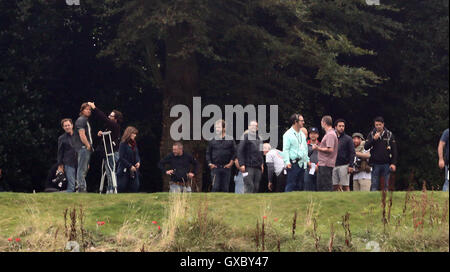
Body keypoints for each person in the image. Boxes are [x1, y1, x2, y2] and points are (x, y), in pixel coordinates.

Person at [88, 102, 123, 194]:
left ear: (115, 119)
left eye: (111, 116)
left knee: (111, 171)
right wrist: (101, 133)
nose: (109, 117)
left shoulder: (115, 126)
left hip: (112, 152)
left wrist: (94, 108)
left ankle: (112, 189)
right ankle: (109, 188)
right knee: (108, 171)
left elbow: (103, 118)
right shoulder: (109, 127)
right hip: (107, 152)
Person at [364, 117, 398, 191]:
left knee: (386, 185)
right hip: (375, 164)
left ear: (383, 124)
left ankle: (385, 200)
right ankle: (373, 201)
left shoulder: (389, 134)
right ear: (374, 125)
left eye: (380, 124)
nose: (378, 126)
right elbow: (366, 147)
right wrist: (373, 139)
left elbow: (394, 150)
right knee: (374, 185)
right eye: (376, 125)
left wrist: (393, 163)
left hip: (386, 164)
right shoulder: (371, 134)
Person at [206, 120, 236, 192]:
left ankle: (225, 203)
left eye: (219, 127)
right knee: (215, 187)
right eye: (216, 127)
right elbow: (208, 153)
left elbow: (235, 152)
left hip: (226, 168)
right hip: (215, 168)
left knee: (225, 188)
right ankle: (213, 203)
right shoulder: (212, 140)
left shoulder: (230, 139)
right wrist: (210, 163)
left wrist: (231, 163)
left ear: (224, 128)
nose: (217, 129)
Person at [282, 114, 309, 192]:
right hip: (293, 163)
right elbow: (285, 150)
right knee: (291, 184)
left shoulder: (302, 134)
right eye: (301, 121)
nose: (303, 122)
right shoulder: (287, 134)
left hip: (302, 163)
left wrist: (307, 161)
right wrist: (287, 162)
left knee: (300, 185)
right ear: (295, 122)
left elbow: (305, 149)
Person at [237, 121, 264, 193]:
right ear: (249, 127)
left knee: (256, 186)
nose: (253, 127)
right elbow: (240, 151)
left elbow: (261, 153)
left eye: (255, 126)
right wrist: (241, 164)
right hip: (248, 166)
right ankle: (246, 202)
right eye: (252, 126)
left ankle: (254, 203)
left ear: (257, 128)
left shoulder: (260, 139)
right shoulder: (245, 137)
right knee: (249, 185)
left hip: (258, 166)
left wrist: (262, 164)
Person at [313, 115, 338, 192]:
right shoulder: (329, 134)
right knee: (321, 185)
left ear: (324, 123)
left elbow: (330, 149)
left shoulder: (330, 134)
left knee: (325, 185)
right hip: (324, 163)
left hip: (326, 163)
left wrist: (318, 148)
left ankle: (327, 201)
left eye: (321, 122)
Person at [72, 102, 93, 192]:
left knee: (84, 168)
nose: (88, 111)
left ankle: (81, 187)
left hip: (84, 148)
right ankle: (81, 188)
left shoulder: (85, 120)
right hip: (83, 147)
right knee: (82, 169)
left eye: (89, 109)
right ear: (82, 110)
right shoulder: (81, 120)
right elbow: (82, 134)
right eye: (86, 109)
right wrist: (88, 145)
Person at [332, 119, 355, 192]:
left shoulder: (348, 139)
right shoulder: (332, 137)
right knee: (334, 186)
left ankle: (348, 200)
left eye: (343, 126)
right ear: (335, 127)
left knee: (345, 186)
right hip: (333, 164)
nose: (341, 127)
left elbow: (352, 152)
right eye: (340, 126)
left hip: (344, 165)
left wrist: (351, 165)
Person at [117, 126, 141, 193]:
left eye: (136, 134)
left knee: (135, 186)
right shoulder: (123, 144)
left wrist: (138, 162)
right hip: (124, 170)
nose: (135, 135)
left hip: (133, 170)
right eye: (134, 133)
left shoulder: (134, 144)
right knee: (122, 187)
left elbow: (137, 155)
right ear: (129, 133)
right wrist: (130, 166)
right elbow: (121, 157)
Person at [57, 118, 78, 193]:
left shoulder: (79, 135)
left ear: (72, 125)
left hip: (80, 162)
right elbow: (60, 153)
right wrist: (60, 165)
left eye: (68, 125)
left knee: (81, 184)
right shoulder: (61, 138)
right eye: (65, 126)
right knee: (71, 186)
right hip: (68, 163)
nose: (67, 127)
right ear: (63, 127)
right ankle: (57, 195)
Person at [305, 127, 320, 191]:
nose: (313, 135)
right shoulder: (305, 145)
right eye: (311, 133)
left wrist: (318, 166)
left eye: (315, 133)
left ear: (318, 135)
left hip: (319, 169)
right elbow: (304, 156)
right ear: (309, 135)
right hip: (308, 169)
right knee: (308, 188)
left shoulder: (321, 145)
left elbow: (324, 157)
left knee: (318, 188)